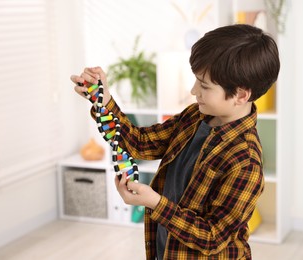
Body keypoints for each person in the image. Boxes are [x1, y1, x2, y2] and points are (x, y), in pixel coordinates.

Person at [71, 24, 280, 259]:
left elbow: (212, 237)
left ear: (241, 95)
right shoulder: (194, 117)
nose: (193, 90)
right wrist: (102, 99)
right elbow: (139, 142)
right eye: (196, 80)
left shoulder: (245, 162)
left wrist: (156, 204)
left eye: (204, 85)